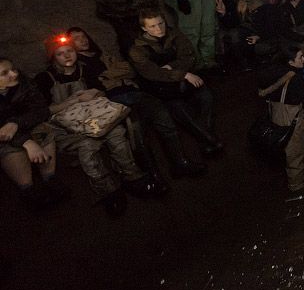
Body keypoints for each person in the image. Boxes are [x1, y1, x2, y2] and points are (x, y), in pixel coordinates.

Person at [36, 36, 161, 215]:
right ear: (53, 57)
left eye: (70, 51)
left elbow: (102, 92)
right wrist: (73, 101)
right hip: (67, 126)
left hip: (94, 118)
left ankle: (131, 176)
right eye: (60, 54)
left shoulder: (85, 70)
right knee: (88, 146)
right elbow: (45, 111)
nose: (67, 56)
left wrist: (96, 92)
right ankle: (107, 190)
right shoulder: (45, 78)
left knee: (117, 134)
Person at [67, 27, 205, 182]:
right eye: (76, 38)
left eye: (84, 36)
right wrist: (111, 75)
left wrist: (107, 75)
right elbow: (94, 83)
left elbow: (130, 70)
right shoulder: (77, 64)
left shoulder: (102, 54)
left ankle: (179, 163)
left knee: (163, 117)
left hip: (132, 90)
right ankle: (152, 175)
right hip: (112, 99)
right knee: (136, 129)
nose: (82, 39)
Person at [129, 10, 224, 158]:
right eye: (152, 26)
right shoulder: (137, 49)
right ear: (144, 28)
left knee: (205, 95)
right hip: (162, 88)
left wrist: (172, 66)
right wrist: (183, 74)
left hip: (182, 79)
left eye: (161, 23)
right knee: (178, 105)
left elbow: (189, 57)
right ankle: (210, 140)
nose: (159, 29)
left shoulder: (175, 35)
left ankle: (205, 140)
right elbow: (153, 73)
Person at [0, 57, 66, 211]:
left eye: (13, 69)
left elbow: (40, 109)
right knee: (6, 144)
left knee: (43, 129)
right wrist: (27, 143)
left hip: (26, 124)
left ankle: (49, 178)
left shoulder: (23, 82)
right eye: (5, 73)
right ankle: (27, 188)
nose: (14, 74)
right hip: (6, 134)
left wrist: (16, 123)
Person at [257, 47, 304, 192]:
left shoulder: (270, 75)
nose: (303, 59)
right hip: (293, 121)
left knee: (287, 153)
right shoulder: (294, 79)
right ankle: (298, 187)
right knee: (296, 155)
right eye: (300, 57)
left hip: (276, 119)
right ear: (290, 62)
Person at [229, 0, 282, 70]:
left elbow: (272, 27)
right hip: (244, 33)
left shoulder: (267, 7)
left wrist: (258, 37)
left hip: (263, 36)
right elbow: (234, 21)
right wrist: (224, 13)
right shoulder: (242, 3)